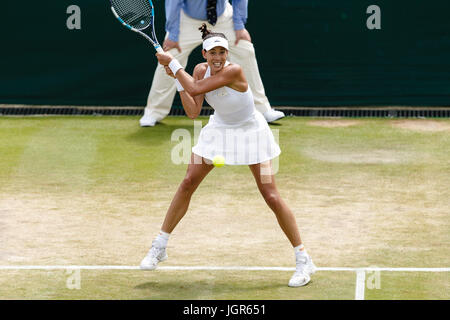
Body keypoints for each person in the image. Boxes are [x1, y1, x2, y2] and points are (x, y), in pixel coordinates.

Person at [139, 24, 316, 287]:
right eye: (213, 53)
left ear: (227, 54)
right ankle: (160, 245)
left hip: (252, 134)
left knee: (271, 195)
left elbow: (197, 89)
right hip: (219, 130)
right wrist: (178, 79)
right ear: (204, 54)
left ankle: (303, 259)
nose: (218, 58)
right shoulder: (199, 71)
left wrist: (174, 64)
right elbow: (192, 111)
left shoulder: (234, 71)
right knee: (188, 182)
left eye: (222, 52)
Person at [140, 0, 285, 127]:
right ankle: (154, 111)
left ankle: (262, 109)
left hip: (222, 17)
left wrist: (239, 26)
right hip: (187, 19)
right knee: (169, 56)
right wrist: (172, 34)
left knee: (245, 50)